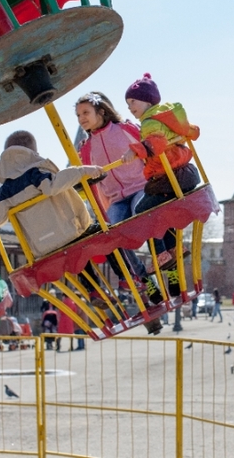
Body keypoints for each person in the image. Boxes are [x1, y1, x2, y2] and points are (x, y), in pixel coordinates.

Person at [76, 91, 165, 335]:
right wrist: (100, 210)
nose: (82, 118)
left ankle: (161, 256)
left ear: (101, 111)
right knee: (114, 234)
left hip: (139, 187)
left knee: (141, 211)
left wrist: (152, 169)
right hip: (115, 198)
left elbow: (147, 146)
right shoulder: (87, 148)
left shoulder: (124, 129)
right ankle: (142, 278)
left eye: (86, 113)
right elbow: (89, 181)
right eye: (78, 115)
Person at [123, 73, 201, 294]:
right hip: (186, 174)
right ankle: (174, 254)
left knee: (143, 212)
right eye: (128, 104)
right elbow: (191, 131)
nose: (130, 107)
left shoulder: (149, 122)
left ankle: (160, 254)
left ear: (147, 101)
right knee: (163, 216)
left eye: (133, 101)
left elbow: (155, 143)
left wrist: (135, 150)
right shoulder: (168, 117)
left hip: (166, 178)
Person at [0, 130, 103, 259]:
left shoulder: (4, 192)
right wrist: (82, 171)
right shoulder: (36, 174)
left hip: (41, 248)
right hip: (69, 233)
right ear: (33, 153)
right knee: (105, 230)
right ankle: (118, 268)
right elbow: (53, 185)